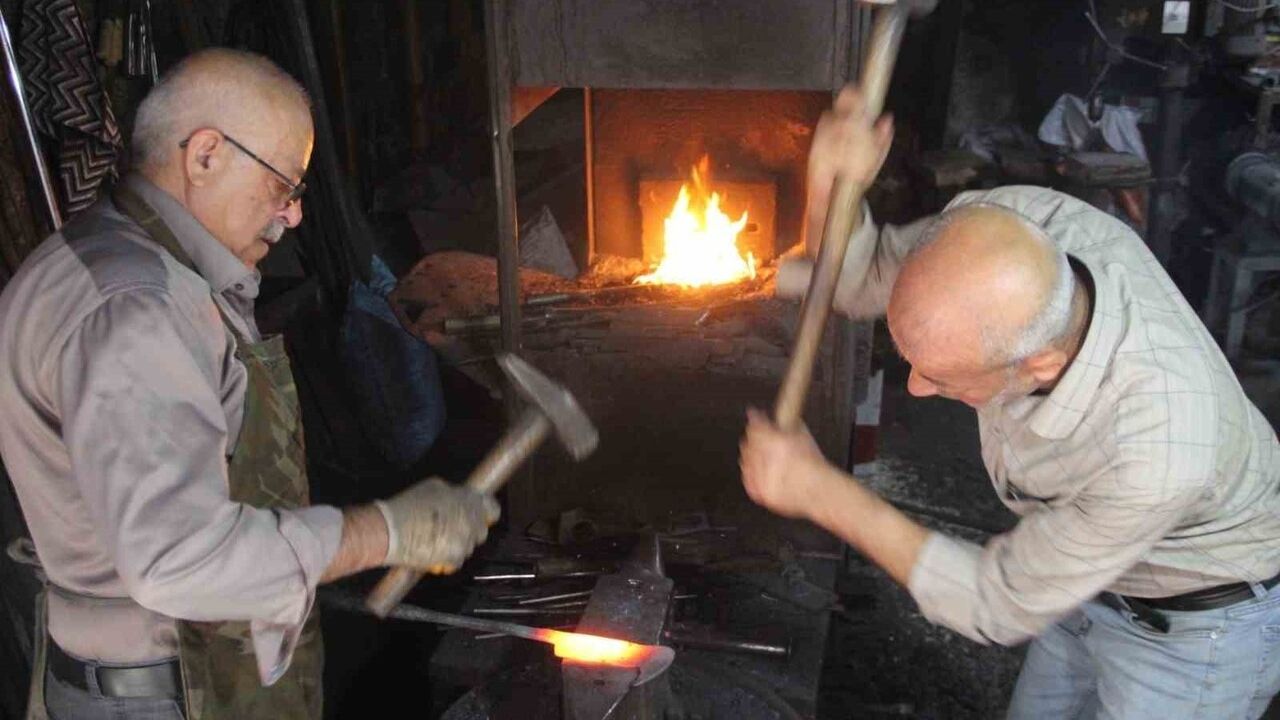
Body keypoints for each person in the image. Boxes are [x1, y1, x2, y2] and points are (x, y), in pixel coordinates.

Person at [741, 87, 1280, 718]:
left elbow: (994, 602)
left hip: (1195, 625)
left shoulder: (1157, 447)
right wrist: (834, 185)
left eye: (940, 376)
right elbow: (857, 280)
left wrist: (820, 492)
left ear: (1039, 365)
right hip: (1084, 581)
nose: (914, 387)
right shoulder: (1011, 228)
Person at [0, 48, 497, 720]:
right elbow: (179, 560)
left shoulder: (89, 254)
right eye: (284, 186)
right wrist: (385, 533)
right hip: (163, 696)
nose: (291, 216)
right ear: (205, 155)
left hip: (156, 678)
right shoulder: (138, 310)